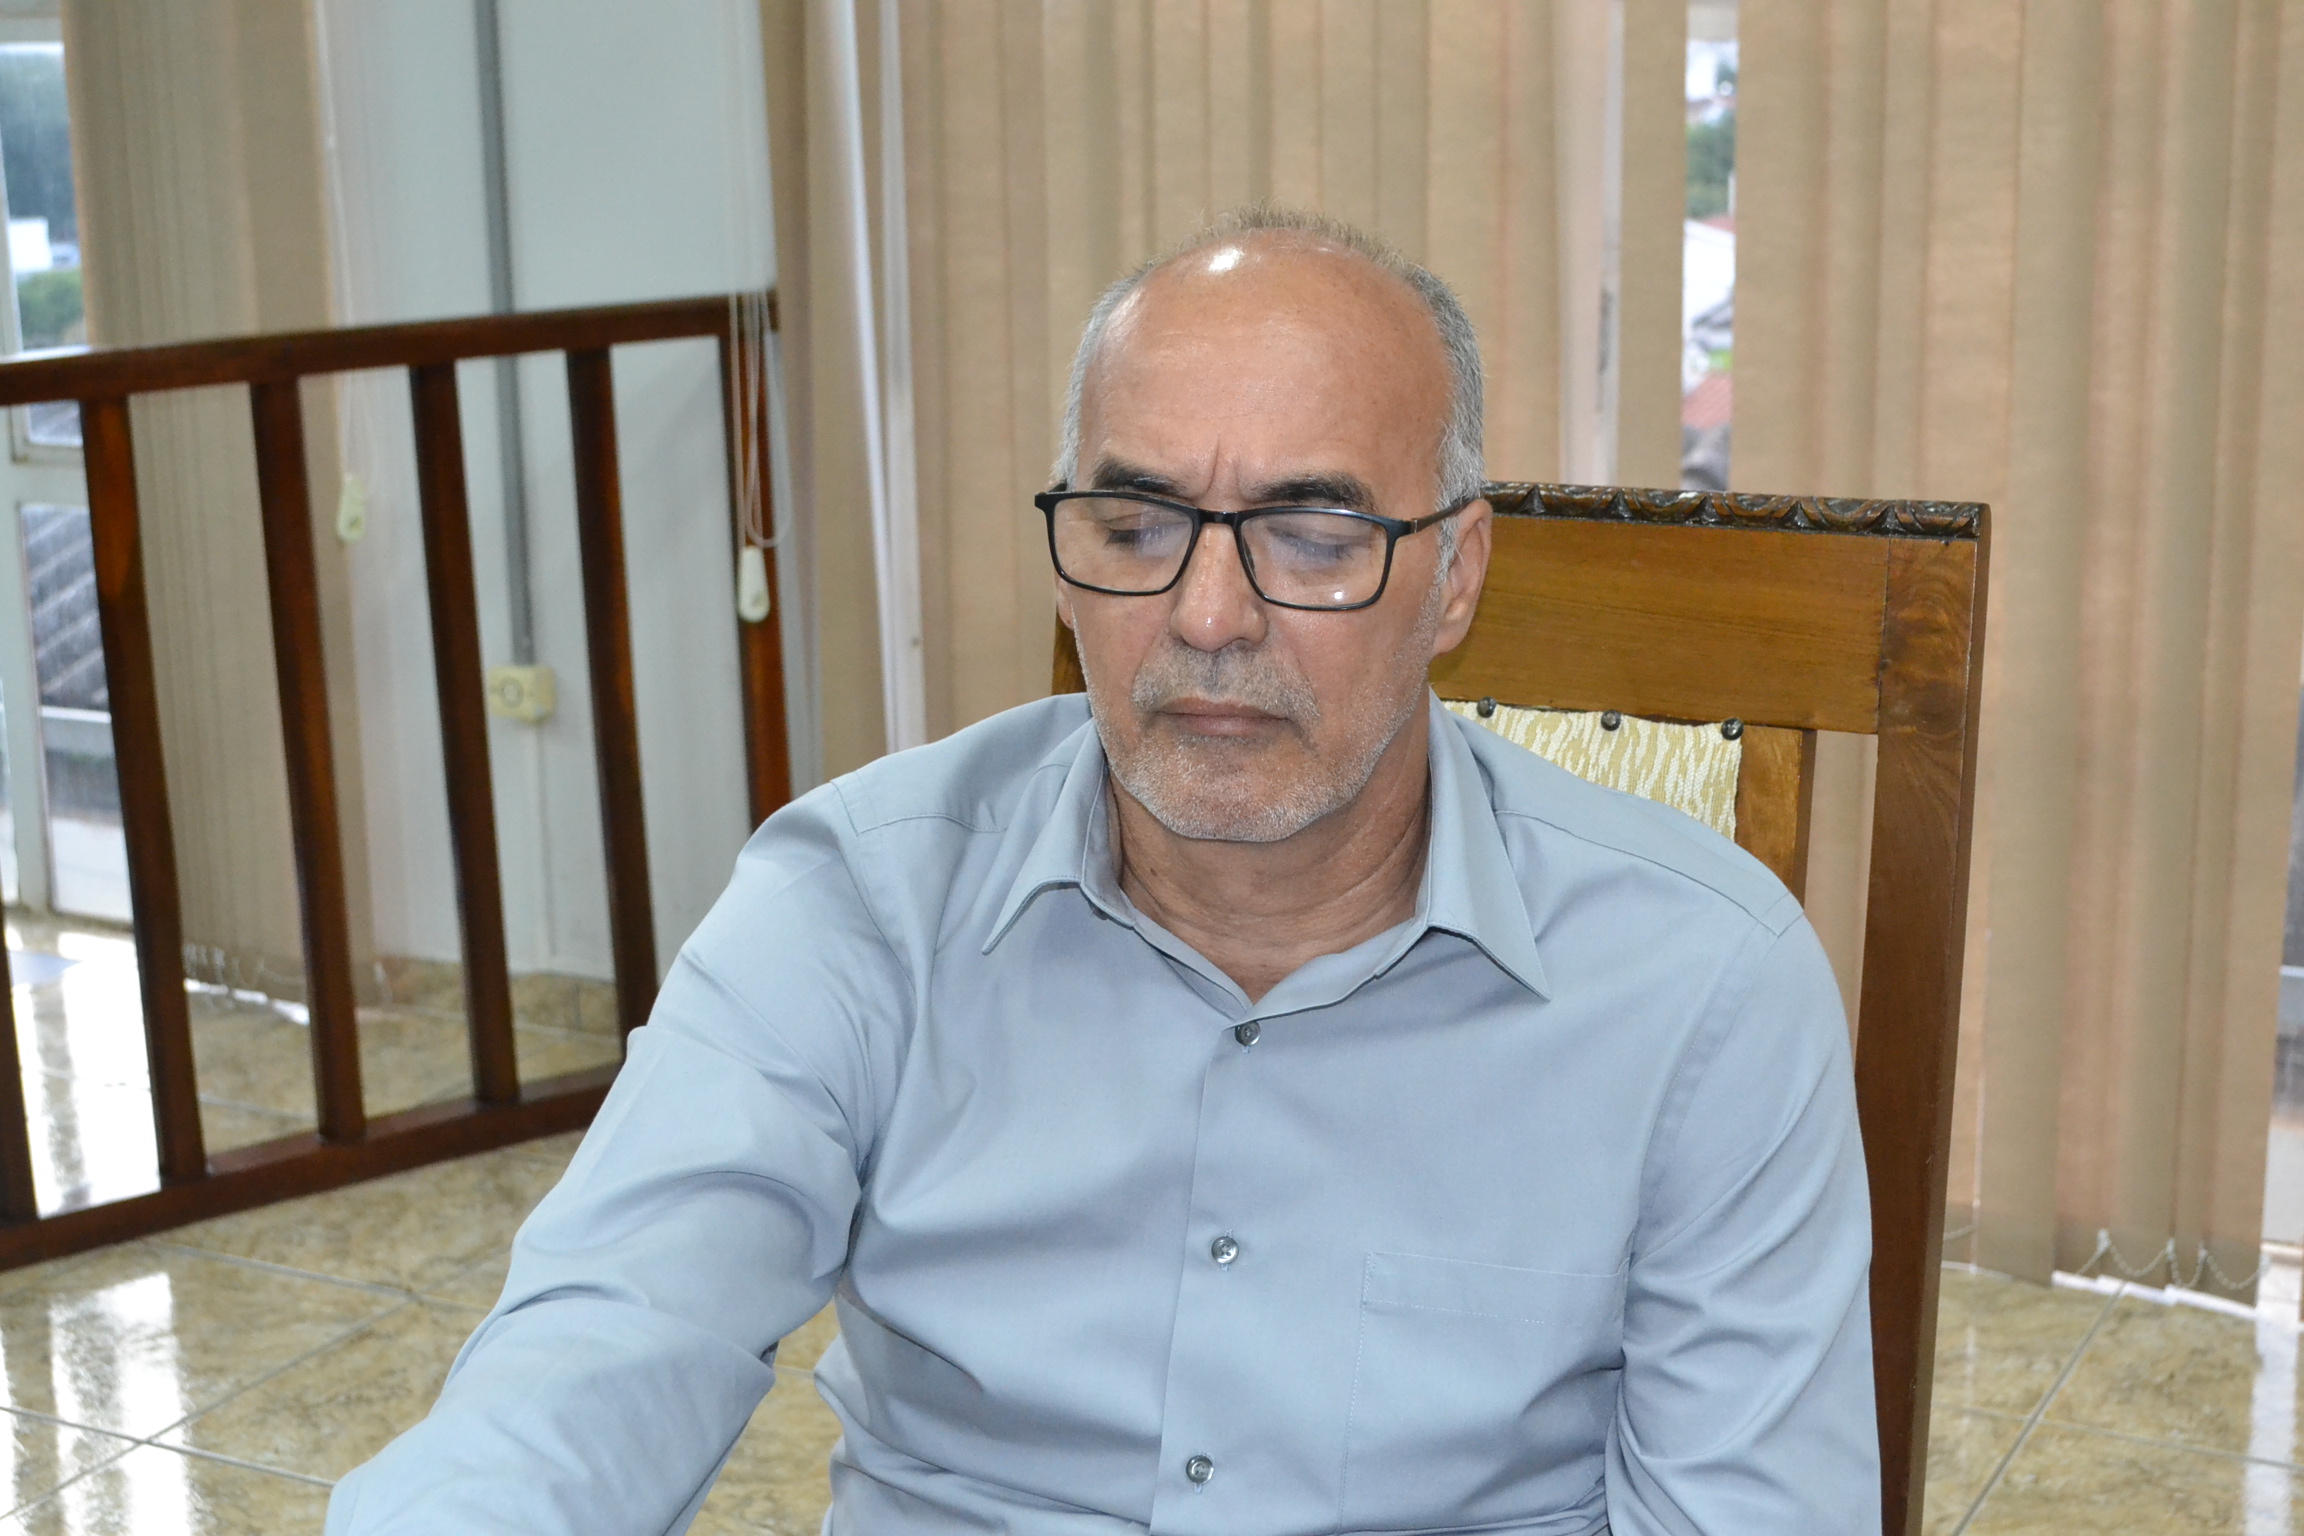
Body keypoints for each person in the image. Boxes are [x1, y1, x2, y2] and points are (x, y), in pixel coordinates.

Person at [328, 206, 1877, 1536]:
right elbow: (590, 1364)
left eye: (1311, 534)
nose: (1208, 615)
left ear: (1455, 574)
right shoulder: (860, 907)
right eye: (1135, 526)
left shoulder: (1702, 988)